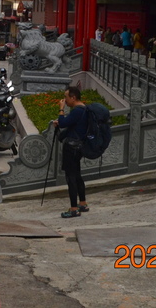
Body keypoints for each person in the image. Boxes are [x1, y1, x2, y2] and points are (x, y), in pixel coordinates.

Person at [51, 85, 89, 218]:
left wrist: (61, 109)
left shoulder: (77, 111)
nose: (65, 100)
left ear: (73, 97)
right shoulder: (84, 109)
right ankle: (82, 203)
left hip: (71, 148)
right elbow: (69, 123)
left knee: (71, 177)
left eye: (66, 97)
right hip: (78, 147)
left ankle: (74, 208)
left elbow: (62, 123)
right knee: (77, 175)